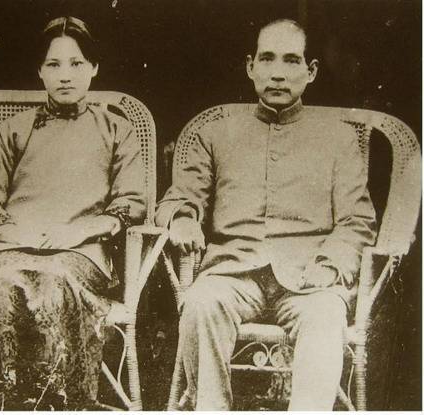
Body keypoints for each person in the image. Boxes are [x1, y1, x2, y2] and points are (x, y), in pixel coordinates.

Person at [156, 18, 377, 410]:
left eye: (291, 61)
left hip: (310, 279)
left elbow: (357, 221)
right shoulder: (217, 133)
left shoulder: (338, 138)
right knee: (201, 303)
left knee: (326, 315)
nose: (278, 73)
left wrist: (330, 265)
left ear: (311, 71)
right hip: (233, 273)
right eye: (267, 59)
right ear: (250, 66)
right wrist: (183, 218)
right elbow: (181, 196)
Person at [0, 16, 146, 409]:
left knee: (55, 282)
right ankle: (6, 400)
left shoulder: (117, 130)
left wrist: (83, 230)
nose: (65, 75)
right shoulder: (14, 129)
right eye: (54, 64)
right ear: (40, 71)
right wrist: (12, 231)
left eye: (77, 63)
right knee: (5, 283)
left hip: (80, 252)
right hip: (12, 246)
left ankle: (61, 402)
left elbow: (131, 200)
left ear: (94, 68)